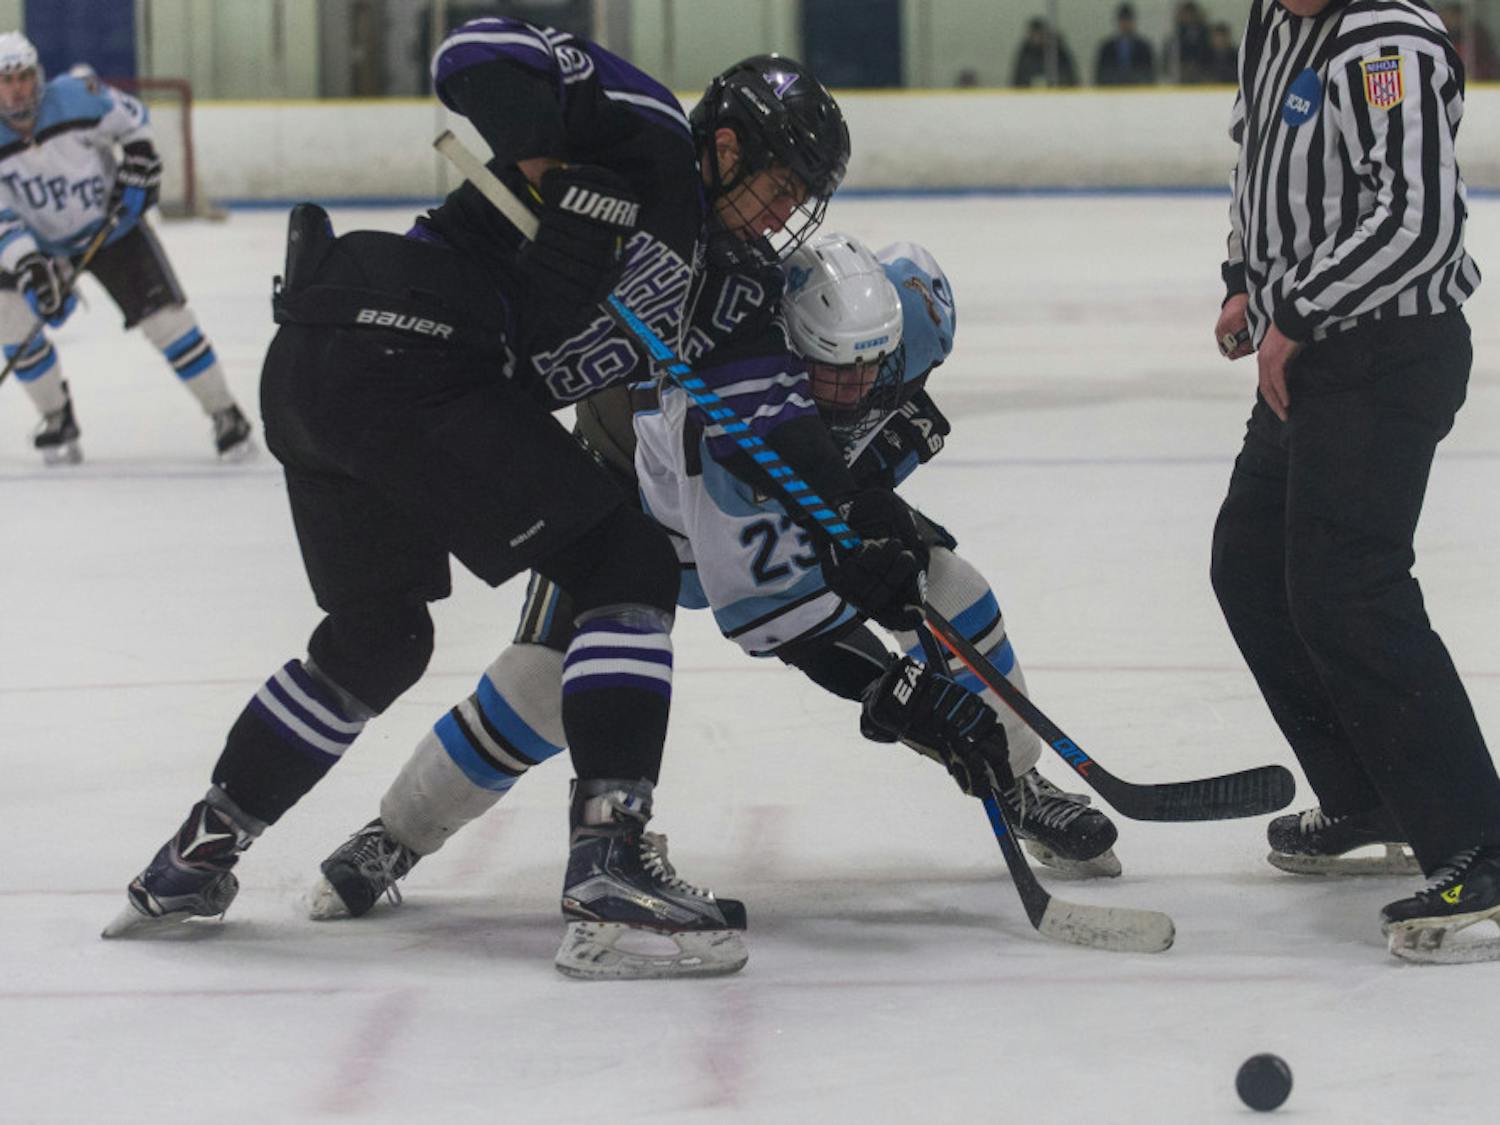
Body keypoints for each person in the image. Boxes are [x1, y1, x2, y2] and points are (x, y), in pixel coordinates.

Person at [101, 19, 929, 983]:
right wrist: (552, 172)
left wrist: (857, 529)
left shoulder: (732, 283)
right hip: (393, 341)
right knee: (626, 561)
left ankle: (197, 853)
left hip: (354, 372)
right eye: (779, 187)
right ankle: (609, 866)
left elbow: (784, 431)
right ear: (729, 144)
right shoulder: (651, 133)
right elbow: (472, 54)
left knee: (380, 638)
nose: (781, 215)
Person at [304, 231, 1122, 927]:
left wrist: (887, 556)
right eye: (840, 378)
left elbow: (835, 544)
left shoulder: (866, 372)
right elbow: (785, 618)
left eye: (885, 379)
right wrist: (911, 701)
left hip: (743, 519)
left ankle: (1020, 781)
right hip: (624, 507)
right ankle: (397, 832)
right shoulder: (732, 404)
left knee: (946, 584)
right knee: (538, 688)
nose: (863, 399)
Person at [1212, 0, 1500, 964]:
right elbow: (1258, 153)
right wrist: (1245, 277)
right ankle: (1370, 793)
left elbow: (1418, 223)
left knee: (1348, 585)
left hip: (1387, 354)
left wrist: (1294, 306)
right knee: (1251, 565)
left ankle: (1484, 843)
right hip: (1312, 356)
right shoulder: (1272, 21)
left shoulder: (1391, 41)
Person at [0, 36, 253, 463]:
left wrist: (139, 159)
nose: (17, 89)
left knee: (168, 321)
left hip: (112, 229)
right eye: (5, 80)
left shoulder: (78, 96)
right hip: (41, 244)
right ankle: (56, 416)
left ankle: (226, 413)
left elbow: (133, 119)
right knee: (10, 322)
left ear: (37, 75)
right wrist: (29, 267)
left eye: (24, 77)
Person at [1094, 4, 1157, 86]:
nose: (1125, 24)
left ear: (1133, 22)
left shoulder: (1144, 47)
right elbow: (1100, 74)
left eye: (1128, 20)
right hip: (1111, 93)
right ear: (1118, 22)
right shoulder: (1106, 48)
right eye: (1123, 20)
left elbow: (1150, 74)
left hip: (1139, 92)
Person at [1012, 18, 1079, 89]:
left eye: (1039, 34)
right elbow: (1017, 79)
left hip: (1059, 95)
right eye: (1034, 34)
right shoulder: (1025, 52)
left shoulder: (1057, 51)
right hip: (1029, 97)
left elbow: (1070, 77)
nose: (1036, 38)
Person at [1163, 2, 1213, 84]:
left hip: (1203, 74)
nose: (1188, 17)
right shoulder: (1175, 36)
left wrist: (1198, 67)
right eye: (1185, 14)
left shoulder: (1206, 34)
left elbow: (1209, 54)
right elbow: (1167, 61)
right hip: (1181, 76)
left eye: (1190, 14)